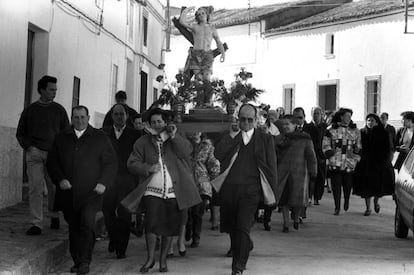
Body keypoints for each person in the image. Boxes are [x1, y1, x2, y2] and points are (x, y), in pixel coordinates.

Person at [127, 108, 201, 273]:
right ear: (149, 124)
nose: (156, 125)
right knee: (151, 225)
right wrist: (147, 167)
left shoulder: (175, 138)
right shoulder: (143, 142)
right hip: (152, 190)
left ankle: (163, 261)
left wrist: (174, 136)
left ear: (166, 122)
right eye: (153, 122)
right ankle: (150, 258)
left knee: (169, 225)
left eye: (159, 121)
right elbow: (132, 163)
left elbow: (186, 152)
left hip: (173, 190)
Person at [47, 106, 118, 274]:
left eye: (83, 117)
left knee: (87, 224)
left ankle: (85, 261)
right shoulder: (61, 138)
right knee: (74, 227)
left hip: (91, 193)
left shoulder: (100, 137)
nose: (79, 121)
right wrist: (60, 179)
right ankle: (77, 260)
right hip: (68, 193)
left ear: (88, 118)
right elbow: (52, 162)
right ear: (72, 118)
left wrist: (103, 183)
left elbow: (111, 163)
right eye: (76, 117)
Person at [214, 103, 277, 275]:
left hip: (251, 191)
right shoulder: (229, 136)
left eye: (250, 120)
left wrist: (273, 194)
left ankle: (238, 267)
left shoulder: (265, 139)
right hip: (229, 189)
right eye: (243, 119)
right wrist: (232, 136)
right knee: (233, 228)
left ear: (256, 120)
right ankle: (245, 245)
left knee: (243, 226)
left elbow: (271, 168)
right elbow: (218, 155)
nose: (247, 123)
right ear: (238, 119)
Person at [16, 75, 70, 235]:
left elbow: (66, 132)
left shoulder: (59, 110)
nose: (54, 93)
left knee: (54, 187)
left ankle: (54, 214)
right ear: (42, 90)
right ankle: (36, 223)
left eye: (55, 90)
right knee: (35, 187)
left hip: (53, 154)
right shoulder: (30, 110)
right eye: (51, 90)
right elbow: (21, 133)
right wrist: (29, 147)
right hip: (35, 154)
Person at [102, 104, 142, 259]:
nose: (119, 117)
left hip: (127, 179)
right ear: (112, 116)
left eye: (122, 114)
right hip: (108, 179)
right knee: (107, 211)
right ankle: (113, 237)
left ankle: (121, 248)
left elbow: (139, 156)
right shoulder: (104, 133)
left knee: (124, 213)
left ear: (127, 116)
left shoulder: (135, 134)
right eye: (116, 114)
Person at [274, 115, 317, 232]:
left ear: (294, 125)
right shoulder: (279, 139)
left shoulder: (305, 138)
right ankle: (286, 224)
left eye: (288, 124)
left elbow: (311, 156)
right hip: (282, 173)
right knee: (283, 200)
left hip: (299, 173)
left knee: (297, 201)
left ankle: (297, 219)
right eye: (283, 124)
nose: (285, 126)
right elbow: (274, 155)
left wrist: (313, 170)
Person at [179, 6, 225, 106]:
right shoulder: (195, 27)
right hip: (196, 55)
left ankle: (208, 101)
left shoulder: (212, 28)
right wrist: (186, 11)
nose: (201, 16)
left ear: (207, 15)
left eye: (202, 13)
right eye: (198, 14)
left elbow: (218, 42)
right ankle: (199, 102)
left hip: (207, 55)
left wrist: (223, 53)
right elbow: (182, 22)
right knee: (198, 79)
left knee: (206, 79)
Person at [353, 114, 395, 216]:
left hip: (379, 164)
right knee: (366, 188)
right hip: (366, 164)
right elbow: (358, 146)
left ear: (376, 122)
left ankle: (376, 202)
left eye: (372, 120)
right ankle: (368, 208)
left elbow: (388, 148)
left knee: (377, 187)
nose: (370, 122)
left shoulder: (383, 133)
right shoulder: (362, 132)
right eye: (368, 120)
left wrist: (386, 160)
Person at [323, 108, 361, 215]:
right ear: (341, 116)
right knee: (336, 185)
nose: (349, 118)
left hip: (349, 162)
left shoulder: (355, 130)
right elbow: (325, 144)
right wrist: (330, 155)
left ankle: (347, 201)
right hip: (336, 161)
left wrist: (356, 156)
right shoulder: (331, 129)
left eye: (350, 116)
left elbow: (358, 145)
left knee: (348, 185)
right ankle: (337, 206)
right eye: (347, 116)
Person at [185, 132, 220, 247]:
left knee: (198, 212)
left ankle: (196, 237)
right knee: (187, 211)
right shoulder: (183, 144)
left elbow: (212, 162)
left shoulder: (207, 146)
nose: (195, 132)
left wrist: (214, 176)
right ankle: (188, 227)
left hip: (202, 183)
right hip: (186, 181)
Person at [305, 107, 327, 205]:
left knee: (320, 176)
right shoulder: (307, 127)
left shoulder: (325, 127)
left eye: (318, 113)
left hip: (321, 154)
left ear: (322, 115)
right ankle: (309, 195)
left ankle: (317, 196)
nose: (316, 115)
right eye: (314, 113)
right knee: (311, 175)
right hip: (310, 152)